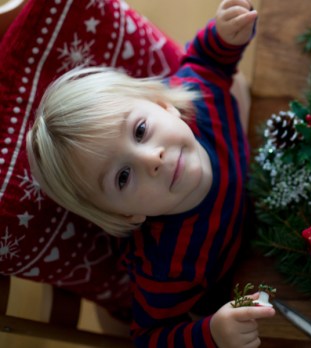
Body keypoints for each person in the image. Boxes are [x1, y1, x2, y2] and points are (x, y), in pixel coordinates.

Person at [26, 0, 275, 347]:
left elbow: (206, 60)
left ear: (163, 105)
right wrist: (213, 332)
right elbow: (148, 337)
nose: (151, 159)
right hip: (255, 275)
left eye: (140, 130)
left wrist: (224, 35)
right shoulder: (166, 267)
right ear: (125, 213)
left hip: (278, 179)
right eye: (123, 177)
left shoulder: (200, 97)